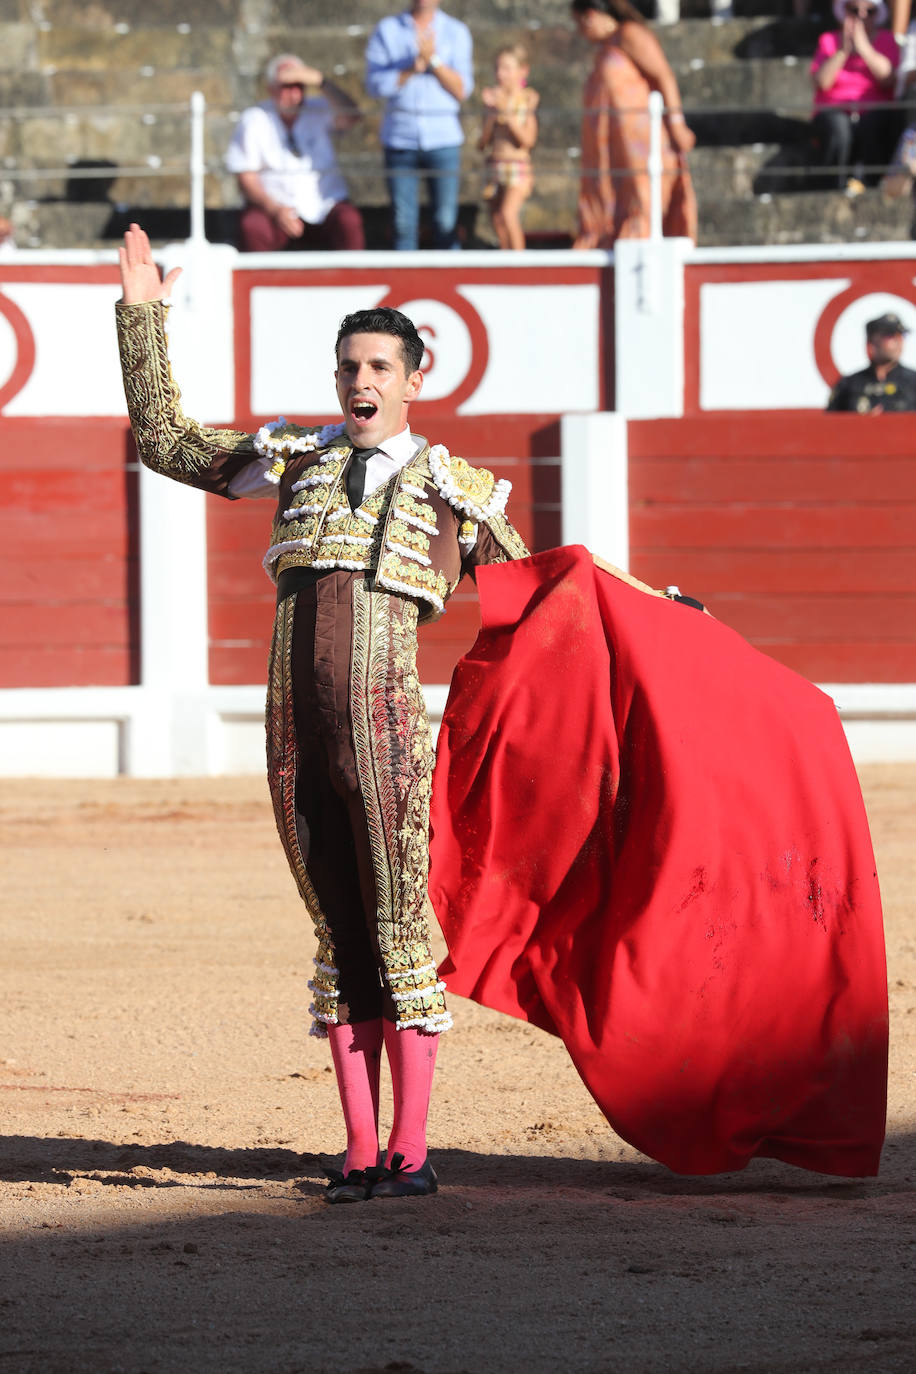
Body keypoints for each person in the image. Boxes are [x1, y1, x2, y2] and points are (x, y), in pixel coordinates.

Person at [114, 224, 528, 1203]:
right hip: (293, 728)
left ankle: (413, 1151)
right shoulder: (293, 458)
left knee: (394, 927)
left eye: (379, 364)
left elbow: (551, 605)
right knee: (336, 930)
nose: (360, 380)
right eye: (349, 365)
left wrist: (654, 610)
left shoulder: (456, 491)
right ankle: (355, 1150)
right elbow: (169, 443)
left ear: (414, 378)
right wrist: (142, 320)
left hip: (388, 733)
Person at [570, 0, 697, 249]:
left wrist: (677, 123)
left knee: (643, 205)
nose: (580, 33)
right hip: (615, 153)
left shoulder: (629, 34)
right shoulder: (606, 47)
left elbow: (664, 76)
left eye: (579, 24)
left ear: (591, 16)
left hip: (642, 149)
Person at [225, 53, 365, 253]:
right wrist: (274, 210)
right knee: (253, 226)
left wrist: (321, 81)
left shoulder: (320, 108)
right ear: (271, 89)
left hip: (323, 206)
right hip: (275, 208)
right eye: (286, 86)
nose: (293, 93)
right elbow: (245, 176)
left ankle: (355, 282)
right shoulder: (254, 119)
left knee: (349, 221)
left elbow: (352, 116)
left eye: (299, 86)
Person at [365, 0, 473, 250]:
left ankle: (447, 282)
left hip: (443, 139)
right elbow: (373, 86)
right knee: (403, 224)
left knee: (446, 221)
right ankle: (405, 285)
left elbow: (462, 89)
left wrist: (433, 61)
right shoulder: (387, 30)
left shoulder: (456, 31)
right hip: (400, 139)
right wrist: (411, 69)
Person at [809, 0, 899, 194]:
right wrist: (844, 50)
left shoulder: (886, 39)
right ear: (844, 12)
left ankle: (873, 185)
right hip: (835, 112)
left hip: (873, 113)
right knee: (837, 129)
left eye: (869, 11)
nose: (861, 16)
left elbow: (888, 78)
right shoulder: (828, 40)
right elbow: (822, 82)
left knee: (875, 125)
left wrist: (864, 47)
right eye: (854, 10)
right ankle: (833, 188)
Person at [478, 43, 539, 251]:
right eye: (497, 68)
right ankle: (505, 262)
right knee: (497, 220)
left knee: (508, 213)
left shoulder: (527, 100)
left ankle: (520, 265)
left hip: (517, 167)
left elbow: (528, 140)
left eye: (506, 68)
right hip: (495, 166)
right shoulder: (492, 102)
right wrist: (492, 114)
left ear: (522, 70)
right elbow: (482, 143)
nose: (500, 74)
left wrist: (507, 114)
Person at [826, 311, 916, 409]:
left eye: (901, 336)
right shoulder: (849, 385)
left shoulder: (912, 381)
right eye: (890, 336)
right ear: (873, 340)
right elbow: (830, 421)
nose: (898, 342)